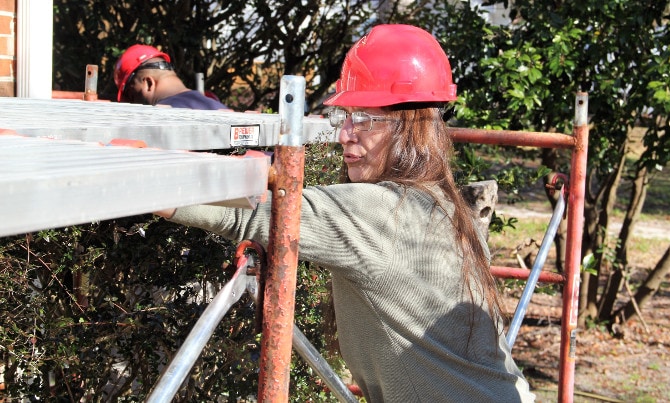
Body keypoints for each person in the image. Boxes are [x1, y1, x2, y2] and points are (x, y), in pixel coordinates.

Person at [155, 24, 534, 402]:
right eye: (345, 117)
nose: (344, 134)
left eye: (364, 119)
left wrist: (150, 175)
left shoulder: (387, 211)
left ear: (410, 127)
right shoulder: (439, 202)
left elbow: (256, 214)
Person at [113, 44, 230, 110]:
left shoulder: (158, 119)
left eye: (130, 95)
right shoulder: (221, 109)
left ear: (148, 83)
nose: (132, 103)